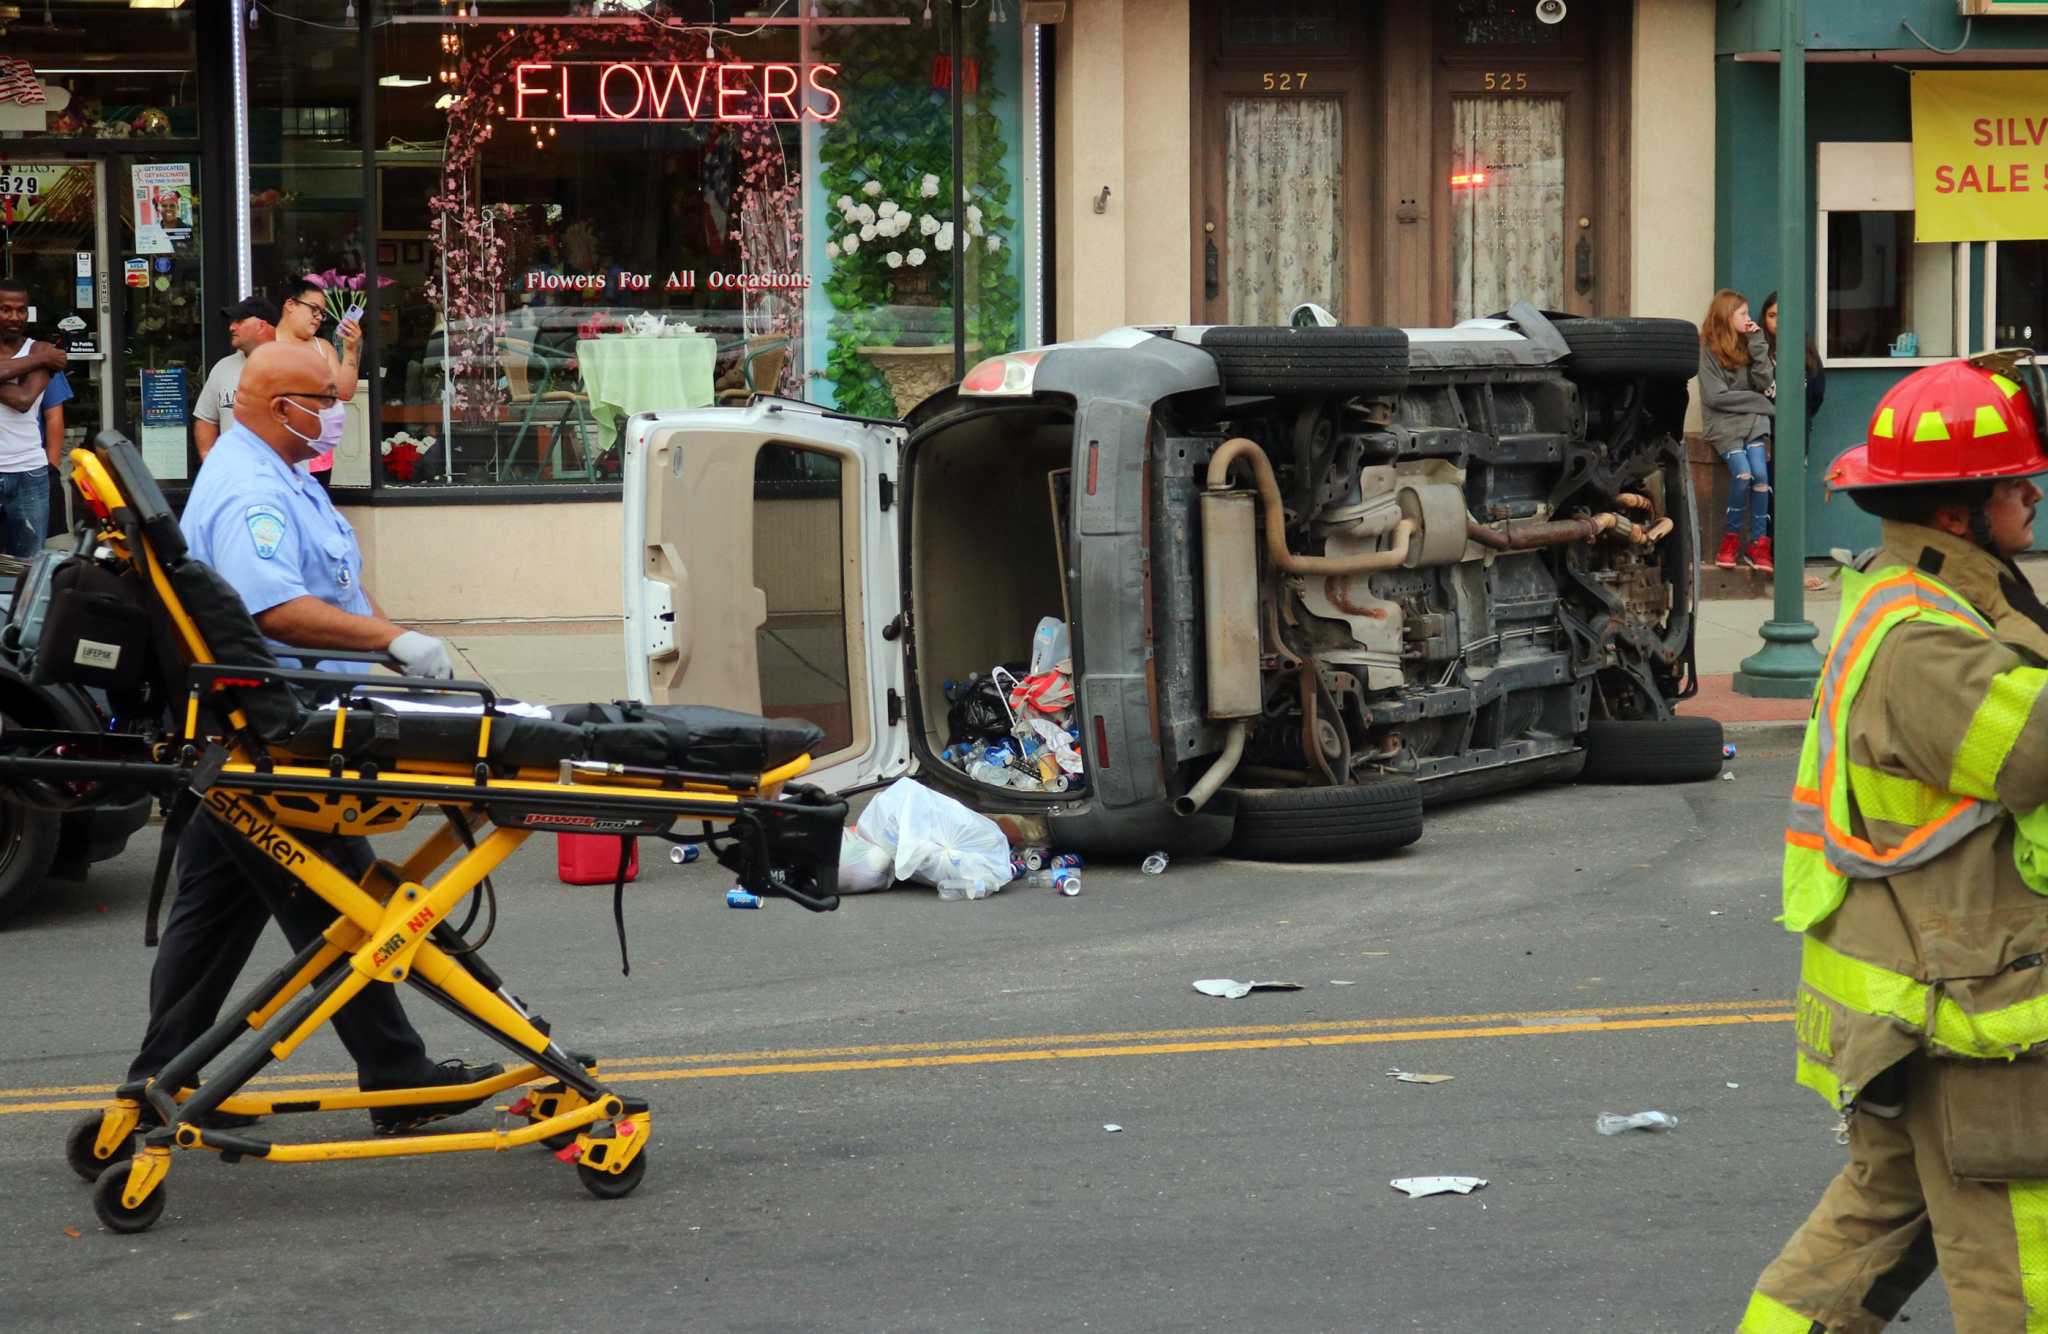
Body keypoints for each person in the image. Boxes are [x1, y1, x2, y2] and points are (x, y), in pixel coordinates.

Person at [1737, 356, 2048, 1331]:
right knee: (2019, 1268)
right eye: (2014, 485)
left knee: (1870, 1227)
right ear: (1958, 514)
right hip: (1960, 1016)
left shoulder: (1913, 601)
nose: (2030, 498)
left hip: (1908, 1005)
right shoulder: (1927, 640)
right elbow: (2034, 751)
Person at [128, 341, 495, 1134]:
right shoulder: (248, 490)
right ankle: (396, 1078)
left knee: (218, 912)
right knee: (350, 917)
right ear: (270, 405)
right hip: (283, 736)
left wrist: (383, 635)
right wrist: (392, 641)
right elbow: (273, 610)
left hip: (270, 729)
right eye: (321, 400)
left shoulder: (282, 473)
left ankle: (160, 1079)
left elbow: (330, 586)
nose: (333, 414)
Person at [1700, 289, 1777, 573]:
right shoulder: (1707, 350)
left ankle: (1759, 544)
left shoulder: (1750, 342)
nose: (1748, 318)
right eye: (1742, 313)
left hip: (1755, 423)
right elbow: (1715, 397)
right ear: (1726, 315)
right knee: (1742, 475)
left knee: (1760, 475)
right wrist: (1758, 401)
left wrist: (1758, 342)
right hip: (1724, 425)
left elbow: (1764, 379)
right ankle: (1729, 541)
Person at [275, 275, 362, 492]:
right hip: (276, 451)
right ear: (291, 305)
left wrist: (350, 350)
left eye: (321, 313)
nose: (317, 317)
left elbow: (344, 392)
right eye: (313, 309)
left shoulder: (322, 347)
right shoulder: (267, 342)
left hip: (316, 456)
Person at [0, 278, 66, 558]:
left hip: (29, 473)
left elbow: (25, 400)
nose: (15, 317)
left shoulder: (38, 349)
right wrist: (41, 362)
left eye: (21, 310)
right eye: (5, 309)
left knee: (27, 568)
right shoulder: (43, 356)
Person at [193, 296, 279, 459]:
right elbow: (206, 419)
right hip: (234, 479)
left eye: (239, 321)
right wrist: (208, 458)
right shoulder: (222, 367)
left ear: (261, 325)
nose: (232, 327)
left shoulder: (294, 365)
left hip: (280, 479)